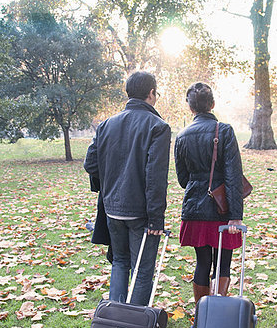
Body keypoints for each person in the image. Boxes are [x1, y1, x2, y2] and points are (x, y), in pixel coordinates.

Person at [84, 71, 171, 305]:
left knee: (120, 262)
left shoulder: (106, 125)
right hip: (141, 212)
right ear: (151, 93)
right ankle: (133, 327)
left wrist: (111, 185)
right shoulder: (158, 126)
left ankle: (116, 318)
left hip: (112, 208)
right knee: (142, 270)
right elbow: (156, 177)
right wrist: (156, 220)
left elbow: (90, 164)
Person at [174, 82, 244, 304]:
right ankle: (218, 312)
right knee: (223, 263)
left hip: (195, 208)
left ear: (190, 108)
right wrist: (235, 214)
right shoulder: (224, 131)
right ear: (213, 104)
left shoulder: (182, 136)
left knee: (202, 263)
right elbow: (233, 175)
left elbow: (183, 179)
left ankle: (202, 313)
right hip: (222, 209)